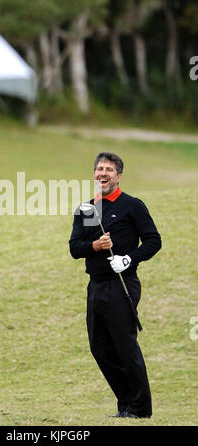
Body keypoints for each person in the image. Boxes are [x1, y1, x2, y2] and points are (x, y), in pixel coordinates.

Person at [69, 152, 162, 418]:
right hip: (96, 286)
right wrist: (95, 246)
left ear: (118, 175)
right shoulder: (88, 210)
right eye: (99, 169)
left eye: (109, 169)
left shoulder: (132, 205)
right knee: (100, 348)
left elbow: (154, 241)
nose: (103, 173)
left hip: (122, 284)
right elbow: (75, 248)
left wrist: (128, 258)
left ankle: (141, 408)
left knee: (125, 345)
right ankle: (126, 404)